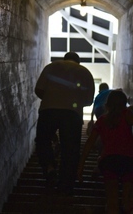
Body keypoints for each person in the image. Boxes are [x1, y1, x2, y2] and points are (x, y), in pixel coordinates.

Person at [77, 90, 133, 214]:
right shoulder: (126, 114)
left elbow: (89, 143)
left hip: (109, 161)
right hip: (130, 160)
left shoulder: (102, 120)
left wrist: (81, 165)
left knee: (112, 202)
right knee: (128, 201)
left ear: (107, 104)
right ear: (124, 104)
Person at [34, 51, 95, 195]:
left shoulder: (51, 67)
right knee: (70, 150)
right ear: (78, 62)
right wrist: (75, 102)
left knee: (42, 141)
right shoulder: (85, 72)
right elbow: (88, 100)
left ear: (65, 59)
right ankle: (65, 185)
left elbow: (38, 90)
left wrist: (52, 98)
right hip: (72, 115)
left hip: (48, 110)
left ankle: (49, 167)